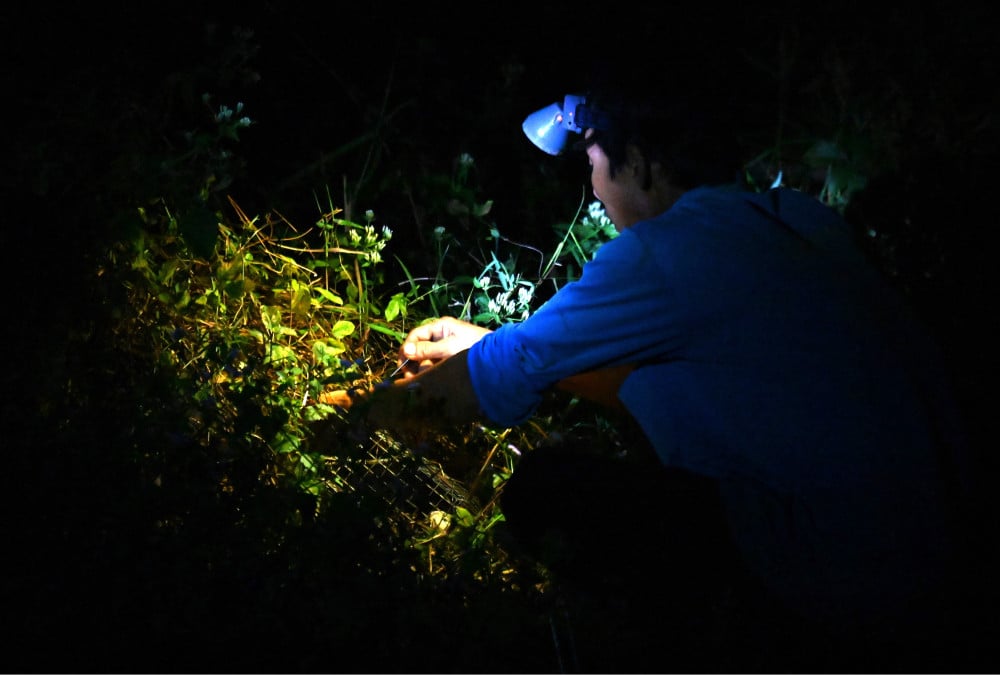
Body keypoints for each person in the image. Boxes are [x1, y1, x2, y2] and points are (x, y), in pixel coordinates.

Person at [343, 61, 975, 671]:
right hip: (948, 567)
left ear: (638, 164)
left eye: (591, 160)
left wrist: (354, 417)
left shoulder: (667, 254)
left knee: (549, 488)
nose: (592, 185)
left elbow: (494, 378)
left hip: (853, 592)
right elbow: (666, 382)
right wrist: (496, 343)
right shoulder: (798, 222)